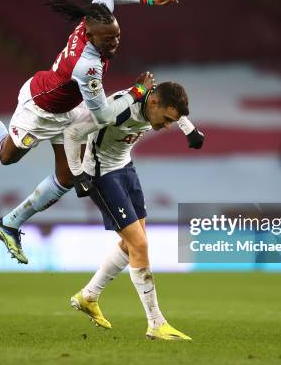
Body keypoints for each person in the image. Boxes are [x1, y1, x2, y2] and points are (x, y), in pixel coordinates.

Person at [0, 0, 204, 264]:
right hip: (41, 108)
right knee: (5, 156)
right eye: (108, 39)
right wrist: (136, 92)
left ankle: (9, 223)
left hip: (72, 106)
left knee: (68, 176)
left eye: (117, 35)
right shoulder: (87, 66)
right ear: (92, 36)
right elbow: (105, 116)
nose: (114, 42)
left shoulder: (94, 19)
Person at [64, 82, 193, 340]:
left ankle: (88, 296)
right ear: (153, 103)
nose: (167, 126)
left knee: (132, 243)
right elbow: (72, 132)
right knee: (140, 245)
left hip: (125, 168)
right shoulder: (120, 110)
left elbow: (178, 112)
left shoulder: (157, 104)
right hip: (101, 175)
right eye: (166, 120)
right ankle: (156, 322)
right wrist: (78, 175)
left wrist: (191, 131)